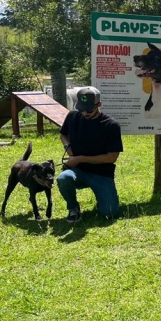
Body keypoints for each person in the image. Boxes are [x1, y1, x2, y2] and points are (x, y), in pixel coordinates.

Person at [57, 86, 124, 222]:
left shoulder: (111, 125)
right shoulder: (72, 116)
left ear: (99, 105)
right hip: (78, 171)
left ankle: (103, 201)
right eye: (81, 109)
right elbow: (63, 134)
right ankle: (73, 208)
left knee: (110, 213)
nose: (84, 113)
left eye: (89, 110)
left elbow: (112, 157)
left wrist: (79, 159)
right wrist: (68, 147)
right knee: (63, 178)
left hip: (102, 173)